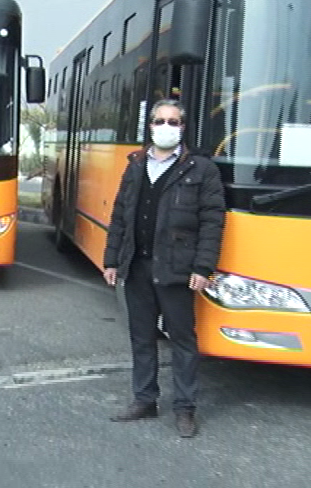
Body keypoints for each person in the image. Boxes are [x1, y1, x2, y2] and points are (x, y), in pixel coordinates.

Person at [102, 100, 225, 438]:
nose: (166, 126)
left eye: (173, 121)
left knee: (183, 341)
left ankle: (185, 408)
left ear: (183, 127)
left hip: (177, 269)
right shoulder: (136, 164)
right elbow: (120, 215)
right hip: (137, 266)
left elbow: (213, 222)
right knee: (141, 337)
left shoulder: (201, 170)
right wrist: (112, 259)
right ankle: (145, 399)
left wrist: (203, 266)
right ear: (151, 125)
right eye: (160, 120)